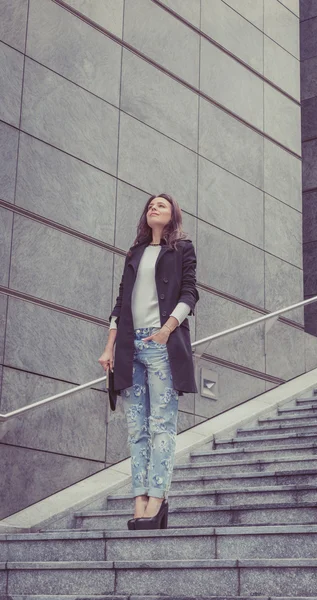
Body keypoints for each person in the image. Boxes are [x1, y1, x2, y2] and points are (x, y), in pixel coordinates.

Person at [98, 193, 199, 530]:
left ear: (173, 215)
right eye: (151, 204)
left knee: (161, 426)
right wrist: (109, 347)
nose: (154, 207)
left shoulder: (182, 248)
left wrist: (167, 330)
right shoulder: (135, 252)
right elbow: (120, 302)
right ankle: (140, 499)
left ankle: (158, 498)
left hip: (160, 345)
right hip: (129, 348)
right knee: (136, 429)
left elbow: (190, 293)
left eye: (162, 205)